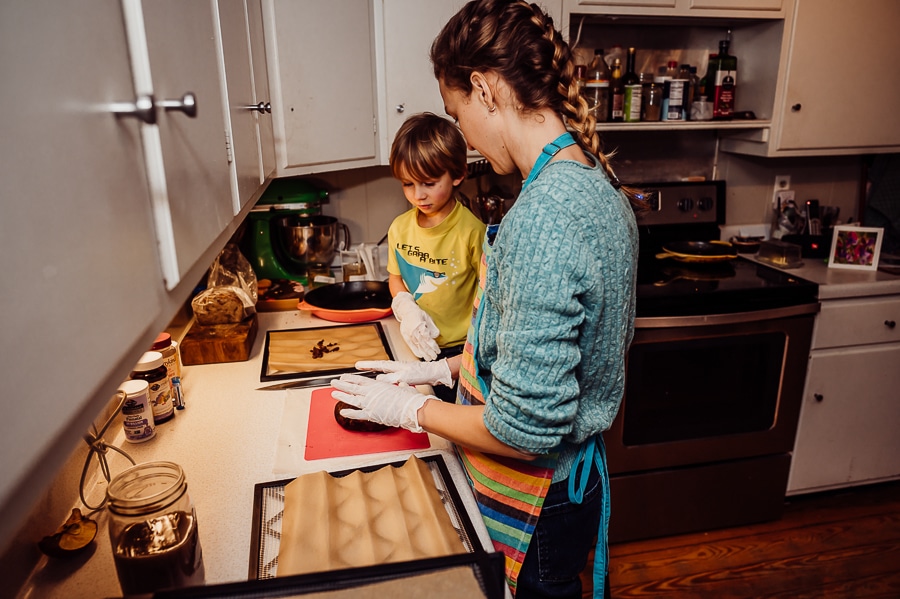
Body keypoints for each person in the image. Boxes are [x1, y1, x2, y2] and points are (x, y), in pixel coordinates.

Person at [331, 1, 645, 597]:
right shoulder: (597, 187)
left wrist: (408, 410)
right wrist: (435, 370)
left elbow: (522, 428)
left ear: (484, 89)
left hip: (540, 505)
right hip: (574, 486)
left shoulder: (543, 219)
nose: (466, 140)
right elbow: (540, 354)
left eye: (457, 113)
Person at [386, 112, 486, 401]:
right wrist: (406, 308)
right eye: (407, 184)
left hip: (462, 352)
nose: (418, 195)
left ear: (457, 175)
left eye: (428, 183)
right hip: (416, 345)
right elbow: (395, 278)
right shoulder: (399, 228)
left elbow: (491, 298)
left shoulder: (471, 232)